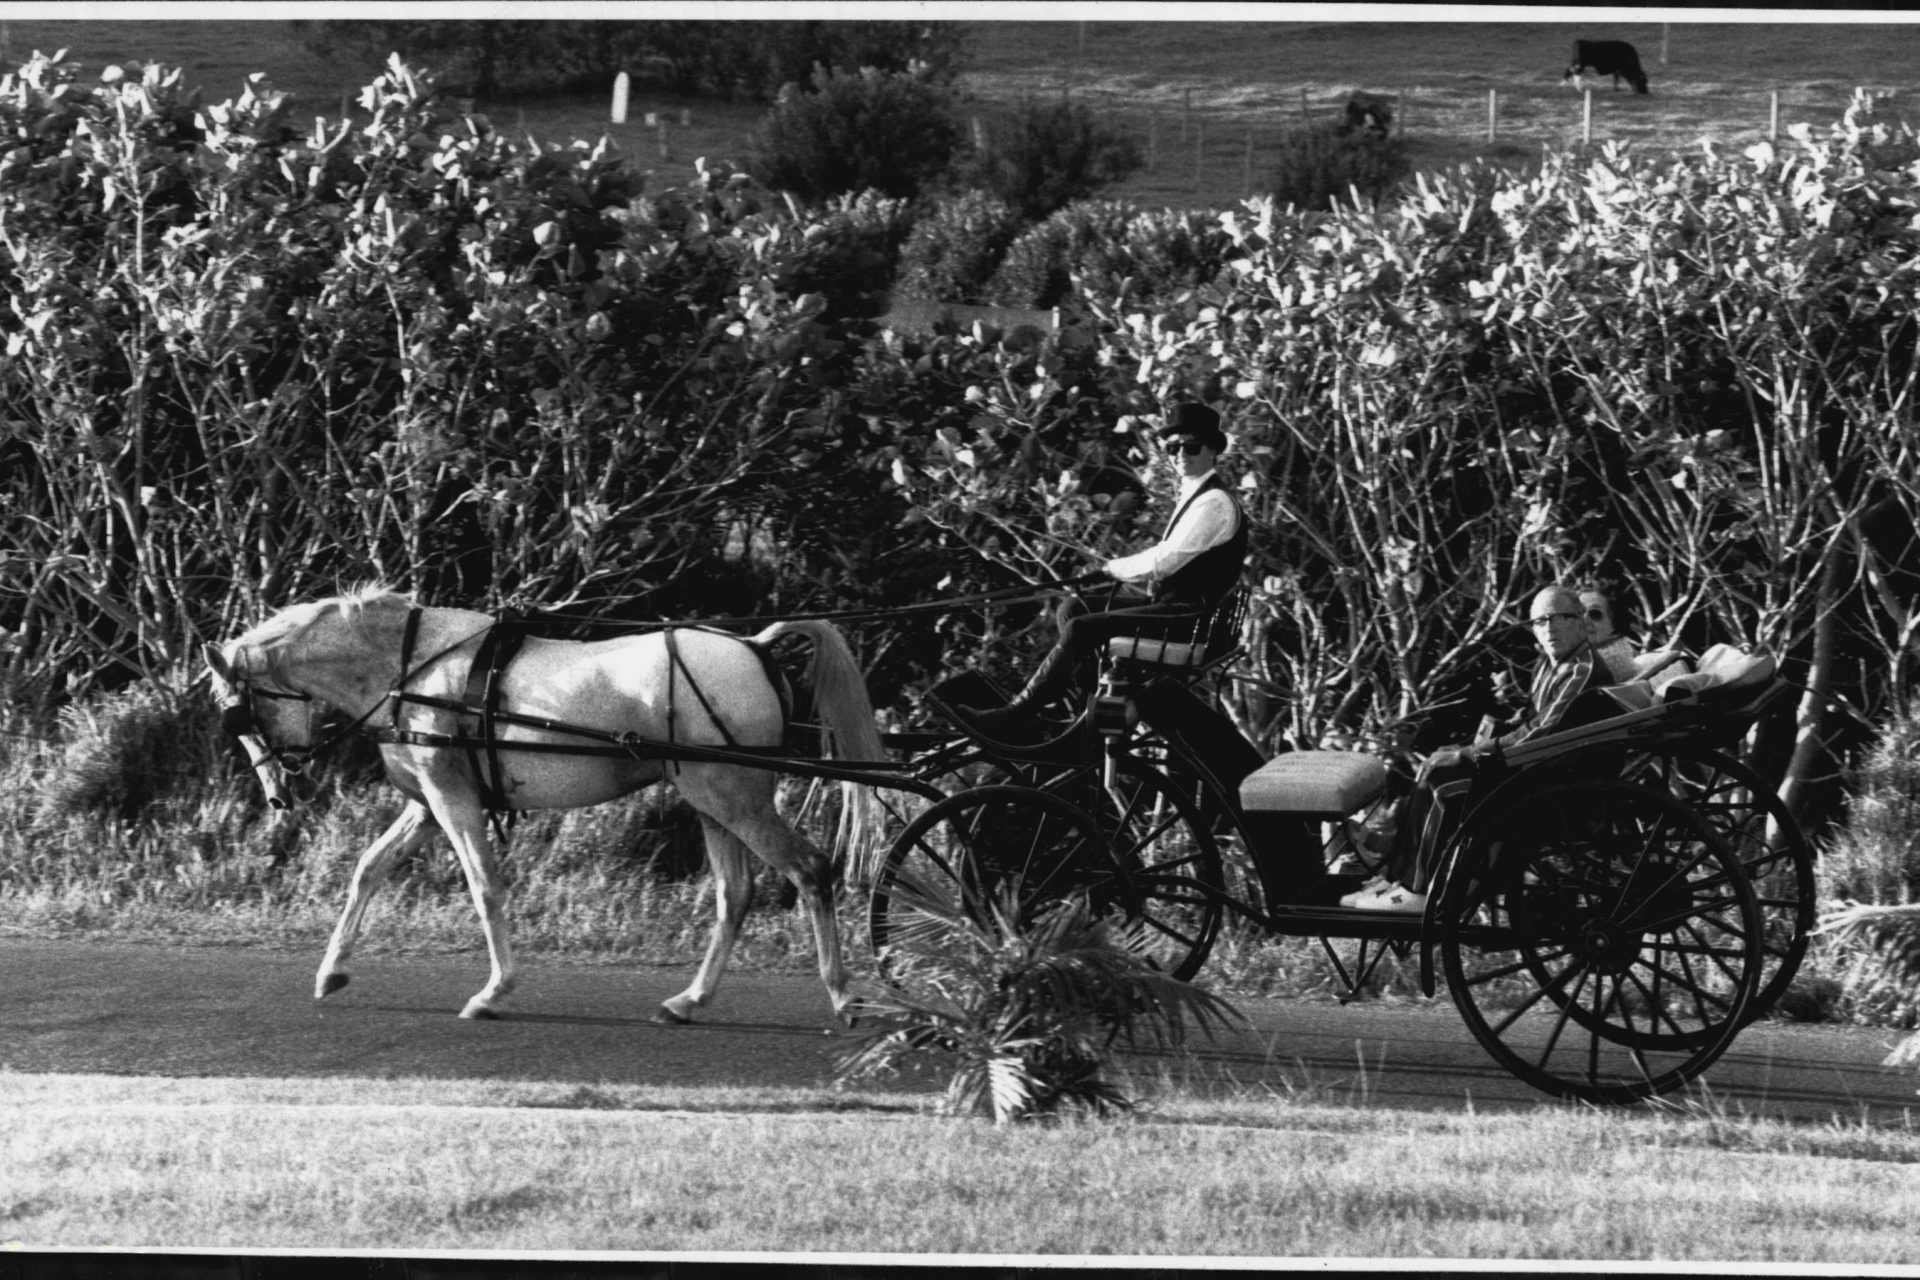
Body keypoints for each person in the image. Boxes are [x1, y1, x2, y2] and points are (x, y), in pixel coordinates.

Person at [957, 401, 1248, 742]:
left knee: (1082, 629)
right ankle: (1085, 710)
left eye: (1191, 446)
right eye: (1173, 447)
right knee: (1073, 608)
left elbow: (1163, 562)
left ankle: (1016, 716)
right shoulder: (1195, 495)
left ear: (1213, 450)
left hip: (1187, 619)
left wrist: (1110, 569)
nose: (1181, 454)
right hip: (1175, 610)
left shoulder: (1213, 503)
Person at [1344, 584, 1611, 913]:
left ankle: (1417, 891)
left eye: (1560, 618)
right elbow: (1528, 720)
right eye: (1540, 621)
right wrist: (1468, 746)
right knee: (1433, 763)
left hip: (1552, 786)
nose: (1549, 627)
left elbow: (1542, 731)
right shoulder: (1551, 665)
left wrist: (1473, 754)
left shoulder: (1581, 671)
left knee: (1441, 779)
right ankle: (1398, 879)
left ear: (1581, 621)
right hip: (1533, 769)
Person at [1579, 586, 1638, 684]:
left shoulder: (1612, 659)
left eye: (1595, 614)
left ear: (1614, 621)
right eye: (1579, 613)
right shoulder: (1588, 654)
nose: (1584, 620)